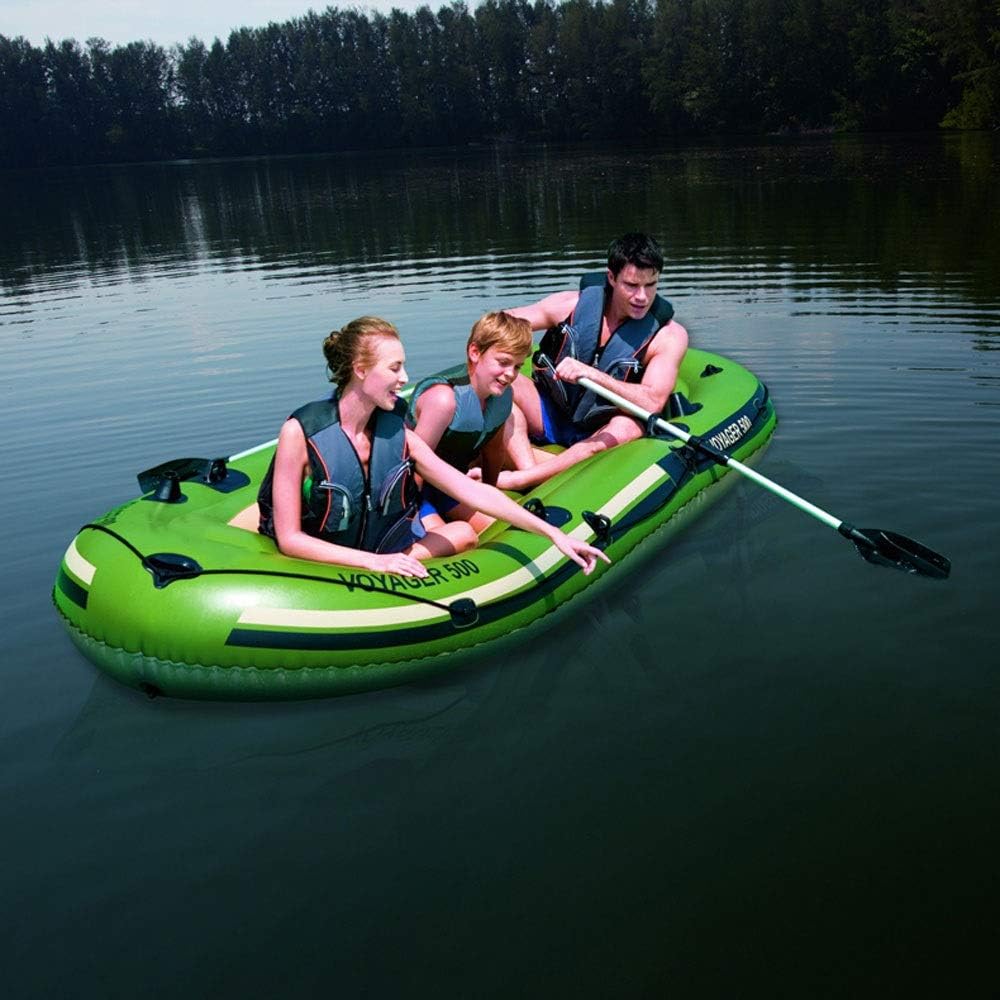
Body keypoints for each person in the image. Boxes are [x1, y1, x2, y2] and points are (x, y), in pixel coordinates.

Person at [256, 316, 610, 579]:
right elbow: (290, 539)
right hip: (336, 554)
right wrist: (374, 563)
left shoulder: (398, 435)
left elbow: (472, 491)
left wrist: (555, 535)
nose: (405, 378)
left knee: (462, 534)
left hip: (381, 541)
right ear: (360, 370)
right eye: (394, 368)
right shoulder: (300, 433)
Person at [497, 232, 689, 492]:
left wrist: (592, 374)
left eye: (651, 285)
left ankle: (524, 478)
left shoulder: (669, 337)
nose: (642, 297)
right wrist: (512, 352)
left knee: (628, 427)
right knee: (503, 385)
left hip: (602, 427)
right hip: (550, 411)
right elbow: (499, 324)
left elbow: (653, 402)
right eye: (631, 285)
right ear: (611, 277)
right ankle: (531, 470)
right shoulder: (570, 305)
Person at [408, 311, 535, 533]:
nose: (510, 374)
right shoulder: (444, 400)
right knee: (448, 538)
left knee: (499, 526)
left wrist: (489, 495)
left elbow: (494, 451)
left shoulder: (501, 397)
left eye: (517, 366)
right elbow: (415, 466)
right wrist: (408, 514)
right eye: (503, 362)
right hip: (412, 488)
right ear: (475, 352)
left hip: (450, 485)